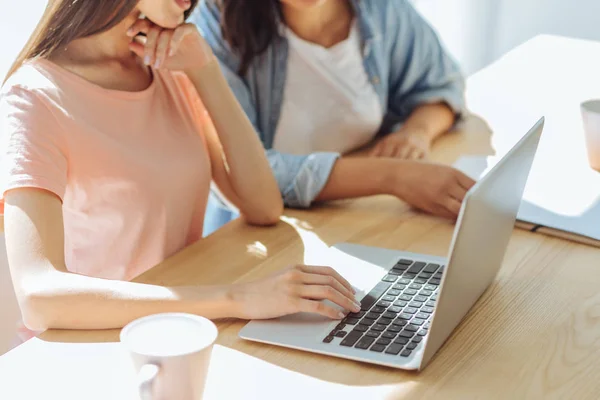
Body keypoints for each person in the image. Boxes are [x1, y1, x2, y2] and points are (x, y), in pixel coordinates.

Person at [0, 0, 361, 338]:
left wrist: (205, 70)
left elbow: (263, 205)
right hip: (88, 346)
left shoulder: (166, 67)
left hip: (179, 331)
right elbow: (38, 295)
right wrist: (236, 299)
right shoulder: (34, 96)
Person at [195, 0, 476, 222]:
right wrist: (393, 177)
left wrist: (416, 133)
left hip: (354, 215)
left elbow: (441, 84)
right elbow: (245, 175)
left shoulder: (381, 10)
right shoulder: (213, 26)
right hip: (262, 233)